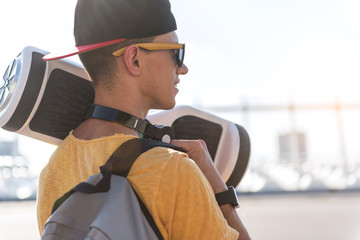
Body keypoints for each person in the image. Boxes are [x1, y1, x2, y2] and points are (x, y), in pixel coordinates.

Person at [37, 0, 251, 239]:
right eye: (176, 53)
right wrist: (220, 192)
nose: (183, 68)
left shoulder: (51, 172)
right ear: (135, 59)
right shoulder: (172, 170)